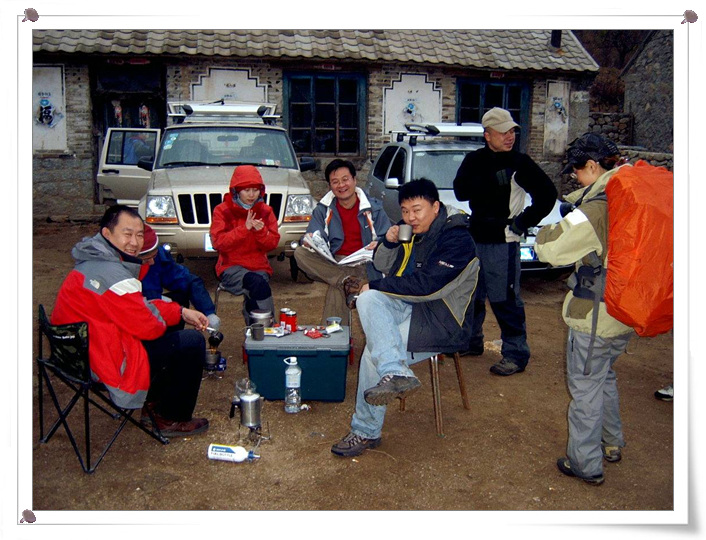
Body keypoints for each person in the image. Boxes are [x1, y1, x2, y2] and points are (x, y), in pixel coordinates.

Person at [331, 179, 479, 457]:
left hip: (442, 319)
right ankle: (395, 371)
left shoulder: (457, 239)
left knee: (373, 354)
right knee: (369, 299)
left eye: (417, 210)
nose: (410, 217)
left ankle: (365, 431)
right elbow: (382, 265)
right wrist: (388, 243)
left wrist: (374, 285)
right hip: (410, 305)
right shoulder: (411, 230)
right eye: (405, 210)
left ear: (436, 207)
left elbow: (428, 287)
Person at [50, 205, 210, 437]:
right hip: (100, 360)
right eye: (127, 234)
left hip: (77, 352)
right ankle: (169, 417)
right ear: (107, 233)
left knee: (173, 321)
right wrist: (168, 314)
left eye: (139, 235)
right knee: (191, 342)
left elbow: (136, 306)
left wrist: (180, 312)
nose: (134, 242)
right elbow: (149, 326)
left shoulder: (94, 261)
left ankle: (153, 402)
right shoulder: (112, 273)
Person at [534, 133, 634, 486]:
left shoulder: (596, 208)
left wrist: (545, 232)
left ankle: (585, 463)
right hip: (624, 310)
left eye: (577, 171)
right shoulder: (628, 195)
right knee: (604, 376)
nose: (575, 178)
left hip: (595, 316)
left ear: (592, 166)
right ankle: (612, 442)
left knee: (586, 388)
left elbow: (552, 250)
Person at [453, 107, 557, 376]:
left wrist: (524, 221)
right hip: (475, 237)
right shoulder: (474, 160)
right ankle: (471, 341)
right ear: (487, 135)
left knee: (505, 299)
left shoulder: (520, 163)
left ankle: (515, 354)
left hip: (504, 240)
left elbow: (547, 195)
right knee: (471, 295)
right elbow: (460, 191)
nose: (509, 136)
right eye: (503, 132)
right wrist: (488, 179)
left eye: (512, 131)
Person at [294, 159, 391, 325]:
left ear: (354, 180)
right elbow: (314, 235)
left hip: (363, 263)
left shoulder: (373, 208)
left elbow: (387, 237)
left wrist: (379, 243)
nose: (341, 185)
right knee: (300, 253)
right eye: (335, 182)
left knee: (337, 288)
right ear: (330, 186)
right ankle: (348, 281)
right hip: (335, 262)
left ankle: (336, 338)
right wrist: (308, 241)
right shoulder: (323, 209)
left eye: (345, 179)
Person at [210, 165, 280, 324]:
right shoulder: (222, 210)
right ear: (236, 191)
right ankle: (268, 327)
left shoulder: (266, 211)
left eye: (255, 190)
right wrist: (244, 229)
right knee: (256, 284)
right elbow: (218, 242)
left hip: (259, 267)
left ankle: (259, 329)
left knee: (257, 286)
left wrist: (261, 232)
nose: (251, 195)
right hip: (231, 268)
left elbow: (272, 244)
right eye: (246, 190)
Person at [139, 224, 221, 331]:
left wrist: (208, 312)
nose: (152, 262)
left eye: (154, 256)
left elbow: (186, 280)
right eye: (146, 259)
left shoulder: (157, 255)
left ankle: (173, 335)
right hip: (137, 316)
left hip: (155, 306)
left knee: (181, 295)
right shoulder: (120, 269)